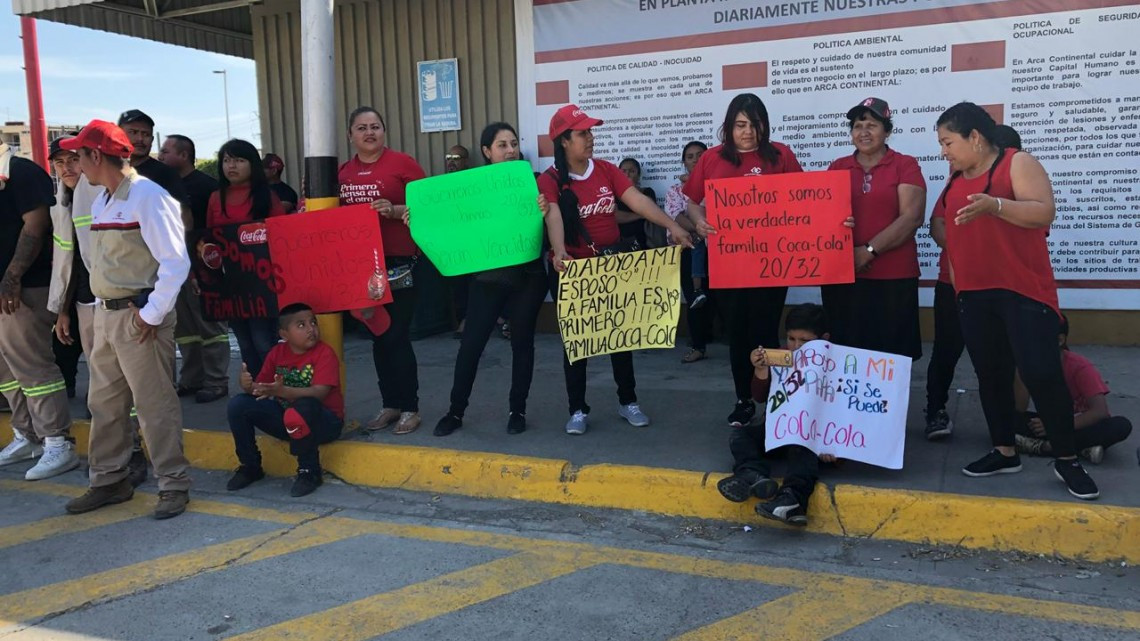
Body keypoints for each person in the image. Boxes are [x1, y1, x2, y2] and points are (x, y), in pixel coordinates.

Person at [935, 102, 1098, 500]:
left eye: (948, 142)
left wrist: (996, 206)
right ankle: (1004, 450)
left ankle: (1067, 460)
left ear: (975, 137)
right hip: (974, 295)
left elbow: (1043, 212)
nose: (944, 151)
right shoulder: (955, 177)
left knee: (1041, 373)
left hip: (1023, 291)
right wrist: (960, 287)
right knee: (990, 375)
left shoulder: (1017, 162)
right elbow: (953, 236)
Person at [61, 120, 192, 518]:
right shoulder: (104, 199)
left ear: (96, 156)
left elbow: (175, 262)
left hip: (137, 319)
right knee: (105, 404)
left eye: (79, 155)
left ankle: (173, 483)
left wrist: (151, 315)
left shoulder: (148, 197)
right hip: (108, 316)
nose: (75, 163)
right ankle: (109, 480)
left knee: (155, 405)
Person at [538, 104, 693, 435]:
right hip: (573, 271)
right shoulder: (551, 180)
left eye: (591, 131)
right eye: (582, 133)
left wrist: (671, 226)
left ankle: (628, 401)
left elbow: (636, 200)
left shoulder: (607, 170)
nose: (590, 138)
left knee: (621, 336)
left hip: (612, 265)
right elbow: (552, 214)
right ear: (564, 141)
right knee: (577, 343)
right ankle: (577, 409)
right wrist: (561, 251)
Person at [684, 93, 804, 428]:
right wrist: (699, 221)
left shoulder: (782, 155)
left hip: (772, 263)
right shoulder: (711, 159)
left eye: (754, 124)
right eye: (740, 124)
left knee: (767, 330)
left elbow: (807, 199)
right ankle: (743, 400)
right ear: (729, 126)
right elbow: (692, 202)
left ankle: (774, 401)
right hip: (729, 264)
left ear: (764, 125)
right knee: (737, 334)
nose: (748, 131)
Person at [432, 123, 550, 437]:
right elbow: (443, 217)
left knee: (522, 344)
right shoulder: (473, 186)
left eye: (513, 143)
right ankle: (455, 412)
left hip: (529, 277)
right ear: (487, 151)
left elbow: (554, 220)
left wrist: (545, 207)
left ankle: (518, 410)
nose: (511, 150)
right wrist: (405, 213)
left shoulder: (533, 180)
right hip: (488, 279)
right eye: (502, 145)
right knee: (470, 346)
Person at [924, 126, 1023, 441]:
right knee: (946, 352)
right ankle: (935, 411)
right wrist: (959, 252)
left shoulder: (1021, 186)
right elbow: (937, 223)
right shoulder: (956, 183)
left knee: (1001, 359)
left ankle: (1007, 425)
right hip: (953, 285)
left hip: (1003, 288)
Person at [339, 107, 426, 435]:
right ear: (351, 135)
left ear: (384, 131)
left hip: (400, 261)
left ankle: (410, 407)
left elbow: (431, 205)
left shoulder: (402, 163)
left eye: (375, 126)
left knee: (396, 335)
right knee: (378, 338)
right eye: (361, 128)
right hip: (362, 267)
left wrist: (395, 211)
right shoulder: (343, 173)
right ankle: (390, 404)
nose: (369, 132)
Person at [822, 98, 925, 360]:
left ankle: (889, 404)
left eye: (872, 125)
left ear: (887, 130)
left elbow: (911, 218)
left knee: (891, 357)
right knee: (846, 354)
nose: (864, 132)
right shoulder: (837, 166)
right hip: (845, 277)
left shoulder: (905, 165)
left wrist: (868, 252)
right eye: (858, 126)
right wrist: (848, 255)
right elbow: (823, 218)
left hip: (893, 277)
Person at [0, 138, 79, 481]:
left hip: (26, 288)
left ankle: (58, 442)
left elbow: (36, 225)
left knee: (33, 368)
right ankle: (27, 436)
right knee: (7, 371)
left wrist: (12, 277)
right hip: (6, 290)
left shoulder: (21, 172)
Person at [716, 304, 827, 526]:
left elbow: (847, 415)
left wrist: (836, 448)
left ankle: (793, 499)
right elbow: (759, 397)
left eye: (804, 341)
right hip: (778, 433)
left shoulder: (834, 366)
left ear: (824, 339)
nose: (796, 346)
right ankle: (753, 475)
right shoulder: (780, 358)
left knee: (801, 444)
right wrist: (760, 371)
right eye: (791, 339)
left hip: (814, 441)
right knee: (741, 436)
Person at [225, 302, 344, 497]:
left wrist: (283, 391)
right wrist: (248, 386)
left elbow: (319, 393)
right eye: (301, 325)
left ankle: (309, 471)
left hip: (324, 423)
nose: (311, 329)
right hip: (289, 420)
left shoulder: (324, 353)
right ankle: (250, 466)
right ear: (284, 335)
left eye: (313, 322)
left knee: (303, 405)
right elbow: (263, 389)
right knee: (239, 405)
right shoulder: (277, 354)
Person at [205, 139, 286, 380]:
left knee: (263, 341)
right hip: (231, 286)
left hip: (263, 283)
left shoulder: (266, 196)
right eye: (227, 160)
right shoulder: (214, 198)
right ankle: (255, 389)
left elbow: (281, 236)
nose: (232, 166)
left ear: (252, 165)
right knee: (245, 343)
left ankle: (277, 388)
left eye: (239, 160)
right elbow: (208, 242)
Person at [159, 133, 229, 404]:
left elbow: (214, 231)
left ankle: (216, 381)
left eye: (166, 151)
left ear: (184, 155)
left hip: (202, 269)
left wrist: (206, 269)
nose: (161, 156)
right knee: (185, 330)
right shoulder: (164, 185)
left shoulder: (206, 187)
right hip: (174, 268)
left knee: (210, 326)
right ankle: (192, 379)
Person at [1013, 315, 1132, 463]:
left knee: (1121, 425)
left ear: (1059, 340)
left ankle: (1045, 448)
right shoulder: (1031, 364)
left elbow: (1100, 412)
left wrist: (1055, 426)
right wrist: (1021, 369)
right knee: (1006, 419)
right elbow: (1019, 408)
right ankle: (1083, 449)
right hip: (1049, 423)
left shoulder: (1079, 367)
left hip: (1080, 424)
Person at [663, 140, 712, 363]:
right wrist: (700, 228)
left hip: (719, 250)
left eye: (700, 155)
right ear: (684, 161)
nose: (695, 159)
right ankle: (697, 346)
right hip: (689, 248)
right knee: (694, 299)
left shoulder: (717, 184)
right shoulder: (675, 190)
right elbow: (676, 216)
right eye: (690, 156)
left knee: (725, 299)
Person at [48, 137, 86, 399]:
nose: (67, 168)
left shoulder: (101, 195)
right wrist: (62, 308)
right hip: (74, 292)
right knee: (63, 346)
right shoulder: (59, 203)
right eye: (59, 162)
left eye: (73, 159)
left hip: (102, 295)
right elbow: (67, 260)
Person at [444, 144, 472, 337]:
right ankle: (462, 320)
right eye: (449, 157)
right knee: (458, 285)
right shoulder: (440, 185)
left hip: (474, 241)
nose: (452, 161)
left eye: (457, 157)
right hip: (453, 244)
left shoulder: (473, 181)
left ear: (466, 161)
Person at [615, 157, 655, 249]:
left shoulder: (647, 192)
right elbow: (616, 217)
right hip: (620, 243)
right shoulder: (612, 195)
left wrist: (631, 188)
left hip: (645, 242)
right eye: (623, 171)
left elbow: (650, 211)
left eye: (632, 171)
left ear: (638, 174)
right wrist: (641, 215)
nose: (627, 174)